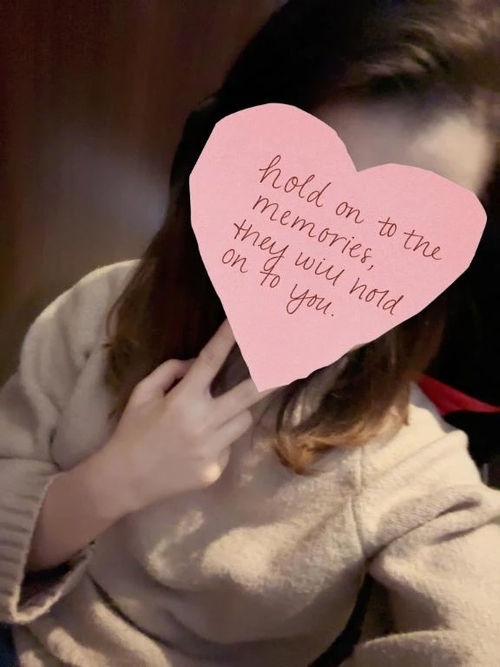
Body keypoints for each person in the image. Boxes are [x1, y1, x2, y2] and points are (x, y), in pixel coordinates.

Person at [1, 1, 499, 665]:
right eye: (303, 190)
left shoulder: (410, 467)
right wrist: (108, 483)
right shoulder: (100, 312)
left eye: (404, 222)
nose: (337, 240)